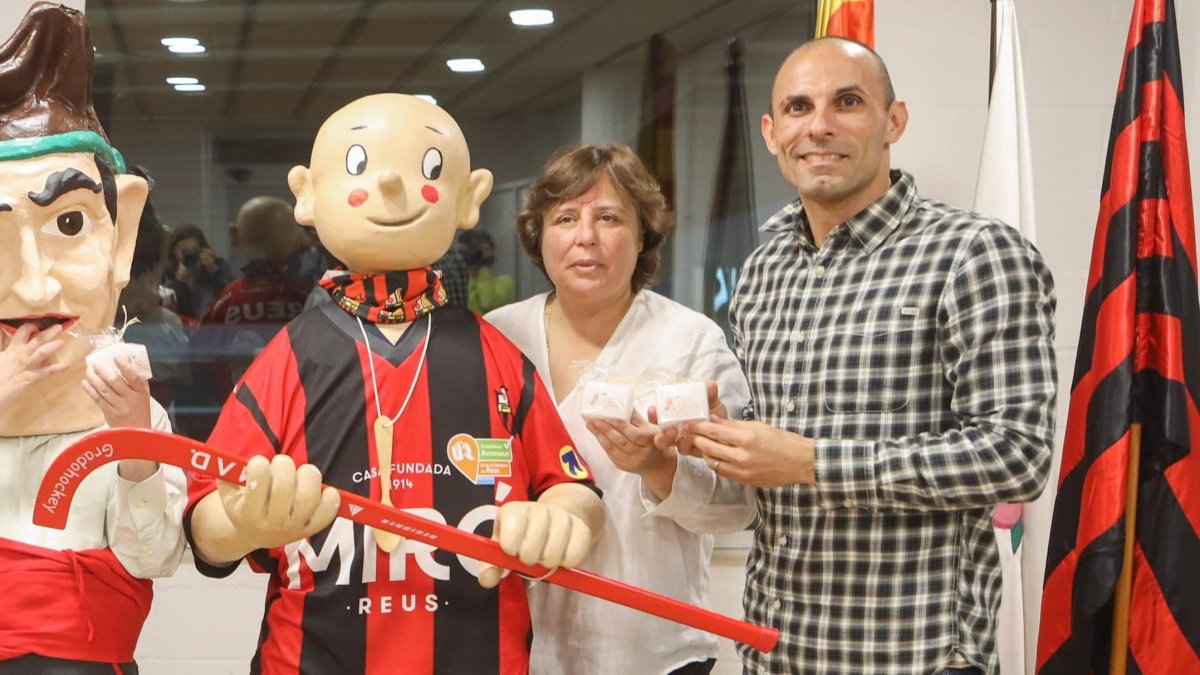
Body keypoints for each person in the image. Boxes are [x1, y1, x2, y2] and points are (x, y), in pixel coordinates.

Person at [184, 93, 605, 675]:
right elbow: (204, 521)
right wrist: (243, 524)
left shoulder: (497, 358)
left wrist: (561, 518)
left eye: (428, 170)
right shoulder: (288, 359)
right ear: (306, 194)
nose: (388, 183)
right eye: (359, 164)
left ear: (468, 198)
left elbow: (575, 486)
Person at [678, 38, 1057, 675]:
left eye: (846, 102)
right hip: (776, 650)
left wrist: (814, 462)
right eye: (798, 108)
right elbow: (766, 463)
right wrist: (698, 440)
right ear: (772, 134)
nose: (819, 125)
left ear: (894, 121)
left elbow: (1017, 455)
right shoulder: (766, 266)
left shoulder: (974, 253)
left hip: (916, 656)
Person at [485, 143, 755, 675]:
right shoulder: (496, 336)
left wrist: (657, 467)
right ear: (540, 237)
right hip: (517, 648)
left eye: (609, 217)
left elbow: (736, 506)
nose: (586, 236)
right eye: (566, 218)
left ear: (643, 236)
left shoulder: (689, 341)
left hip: (651, 649)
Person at [0, 4, 186, 672]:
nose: (34, 288)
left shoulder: (125, 399)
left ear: (122, 233)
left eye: (70, 225)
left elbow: (154, 556)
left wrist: (135, 443)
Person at [162, 224, 233, 321]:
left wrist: (214, 270)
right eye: (183, 250)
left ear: (202, 249)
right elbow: (167, 310)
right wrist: (178, 282)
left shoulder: (217, 266)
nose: (189, 254)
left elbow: (233, 296)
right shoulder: (167, 273)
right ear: (173, 252)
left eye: (193, 249)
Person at [457, 229, 515, 314]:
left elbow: (487, 302)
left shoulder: (506, 282)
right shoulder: (463, 283)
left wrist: (484, 264)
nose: (473, 253)